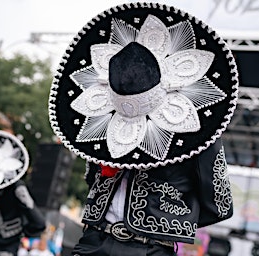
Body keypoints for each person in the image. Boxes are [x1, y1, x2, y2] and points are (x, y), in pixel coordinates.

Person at [48, 2, 239, 255]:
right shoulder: (104, 127)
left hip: (150, 249)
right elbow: (91, 175)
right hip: (93, 240)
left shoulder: (198, 132)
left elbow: (219, 203)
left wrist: (171, 221)